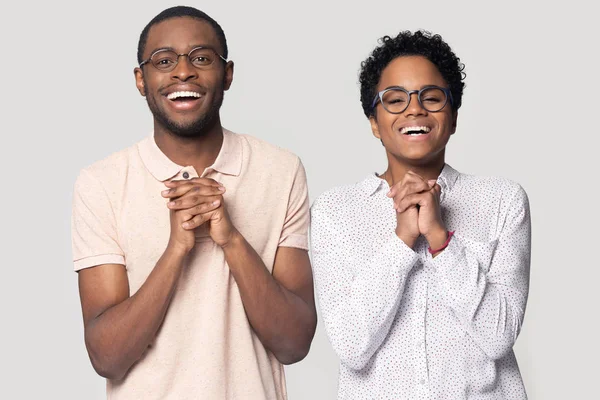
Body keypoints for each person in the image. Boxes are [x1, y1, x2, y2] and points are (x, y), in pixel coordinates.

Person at [71, 6, 316, 399]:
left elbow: (294, 343)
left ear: (228, 74)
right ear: (141, 79)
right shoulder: (101, 183)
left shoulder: (281, 170)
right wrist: (177, 250)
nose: (183, 71)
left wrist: (231, 239)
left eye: (201, 58)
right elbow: (106, 356)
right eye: (163, 60)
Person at [310, 30, 531, 399]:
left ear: (454, 116)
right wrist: (402, 241)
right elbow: (351, 346)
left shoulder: (502, 200)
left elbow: (499, 337)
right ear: (374, 122)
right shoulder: (336, 211)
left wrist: (441, 240)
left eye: (431, 97)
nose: (415, 109)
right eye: (395, 100)